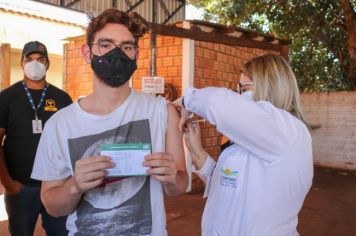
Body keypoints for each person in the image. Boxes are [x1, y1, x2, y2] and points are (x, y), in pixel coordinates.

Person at [31, 9, 188, 236]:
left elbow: (179, 187)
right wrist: (75, 185)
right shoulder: (59, 125)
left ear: (135, 54)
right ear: (87, 52)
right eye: (105, 45)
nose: (117, 54)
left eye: (126, 47)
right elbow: (53, 207)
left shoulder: (162, 111)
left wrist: (171, 178)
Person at [176, 54, 313, 235]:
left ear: (268, 86)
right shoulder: (257, 137)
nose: (239, 94)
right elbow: (229, 184)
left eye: (243, 88)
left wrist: (188, 100)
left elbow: (218, 102)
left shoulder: (289, 132)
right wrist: (197, 152)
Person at [0, 41, 72, 236]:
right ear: (22, 63)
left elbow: (71, 141)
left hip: (57, 184)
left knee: (62, 232)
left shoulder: (62, 98)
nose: (35, 64)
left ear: (48, 63)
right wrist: (9, 184)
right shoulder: (6, 97)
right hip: (21, 187)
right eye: (29, 59)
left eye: (40, 59)